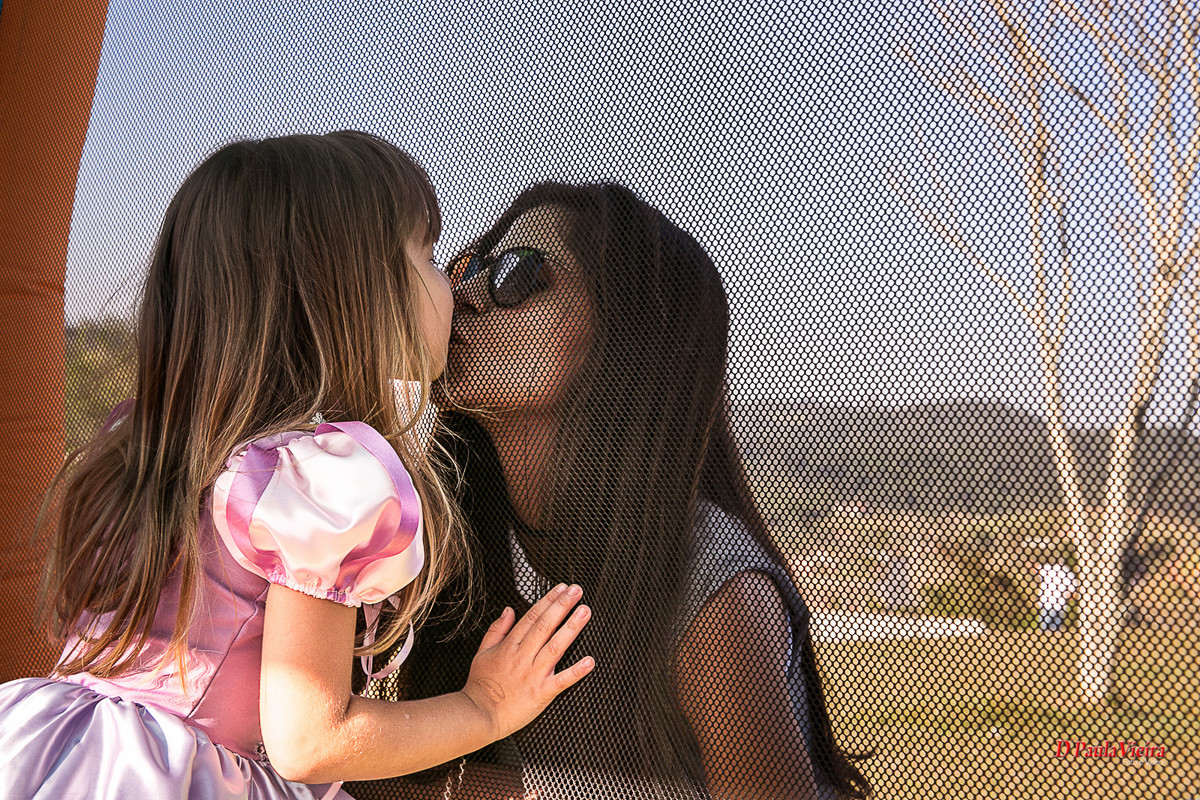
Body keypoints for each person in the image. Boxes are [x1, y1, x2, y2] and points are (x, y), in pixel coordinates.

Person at [0, 133, 595, 800]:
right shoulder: (328, 481)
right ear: (356, 295)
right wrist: (484, 708)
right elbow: (310, 740)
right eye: (429, 256)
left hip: (51, 748)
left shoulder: (148, 450)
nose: (453, 285)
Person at [353, 183, 873, 800]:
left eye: (518, 275)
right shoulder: (449, 532)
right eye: (467, 266)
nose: (465, 293)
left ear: (624, 335)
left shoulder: (710, 582)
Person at [1036, 558, 1078, 631]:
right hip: (1058, 603)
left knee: (1045, 625)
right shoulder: (1065, 572)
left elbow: (1037, 567)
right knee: (1056, 626)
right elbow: (1073, 587)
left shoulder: (1049, 569)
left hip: (1047, 602)